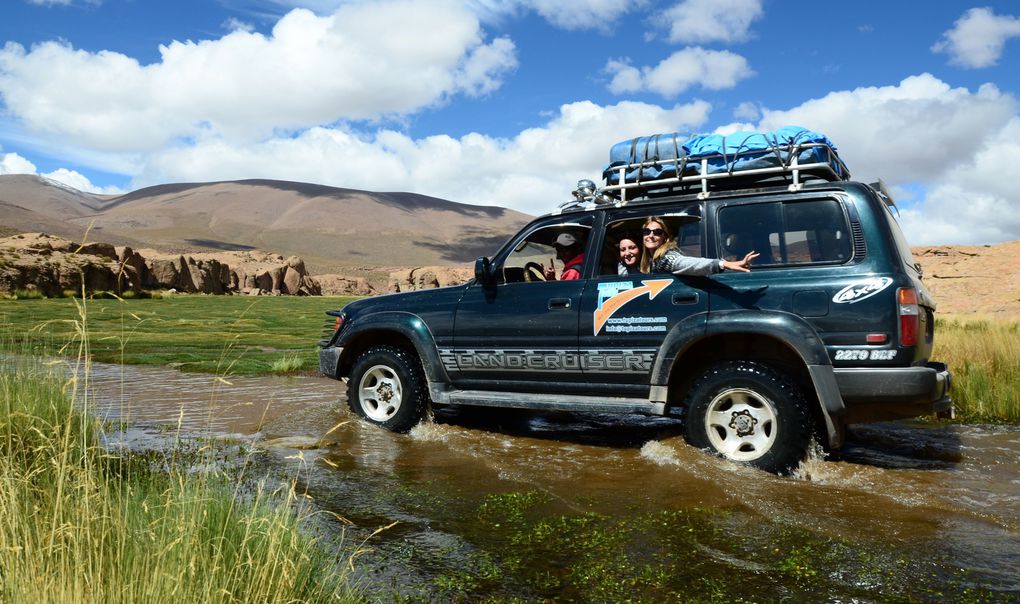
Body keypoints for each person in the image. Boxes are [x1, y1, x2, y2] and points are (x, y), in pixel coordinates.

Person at [640, 216, 758, 275]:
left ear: (664, 237)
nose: (651, 235)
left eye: (657, 232)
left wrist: (723, 264)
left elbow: (686, 263)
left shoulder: (665, 258)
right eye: (646, 231)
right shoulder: (652, 260)